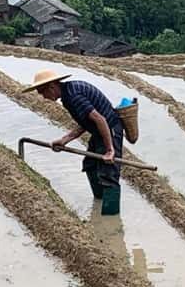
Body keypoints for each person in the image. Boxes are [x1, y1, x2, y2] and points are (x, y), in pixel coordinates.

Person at [23, 69, 123, 215]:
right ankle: (100, 201)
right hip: (99, 131)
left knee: (109, 174)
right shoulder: (68, 94)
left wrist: (109, 150)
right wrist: (64, 140)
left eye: (42, 92)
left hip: (110, 130)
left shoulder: (73, 96)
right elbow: (85, 122)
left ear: (52, 87)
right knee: (90, 164)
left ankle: (110, 218)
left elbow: (100, 119)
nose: (43, 97)